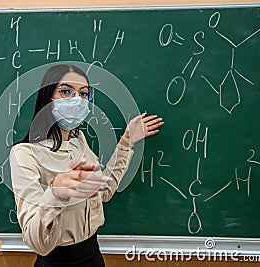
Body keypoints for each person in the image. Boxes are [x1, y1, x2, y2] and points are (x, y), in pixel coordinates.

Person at [9, 64, 163, 267]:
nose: (76, 99)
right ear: (48, 97)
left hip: (92, 256)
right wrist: (56, 193)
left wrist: (126, 142)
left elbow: (103, 192)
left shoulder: (78, 140)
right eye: (66, 91)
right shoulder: (24, 154)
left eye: (84, 94)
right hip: (57, 262)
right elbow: (37, 242)